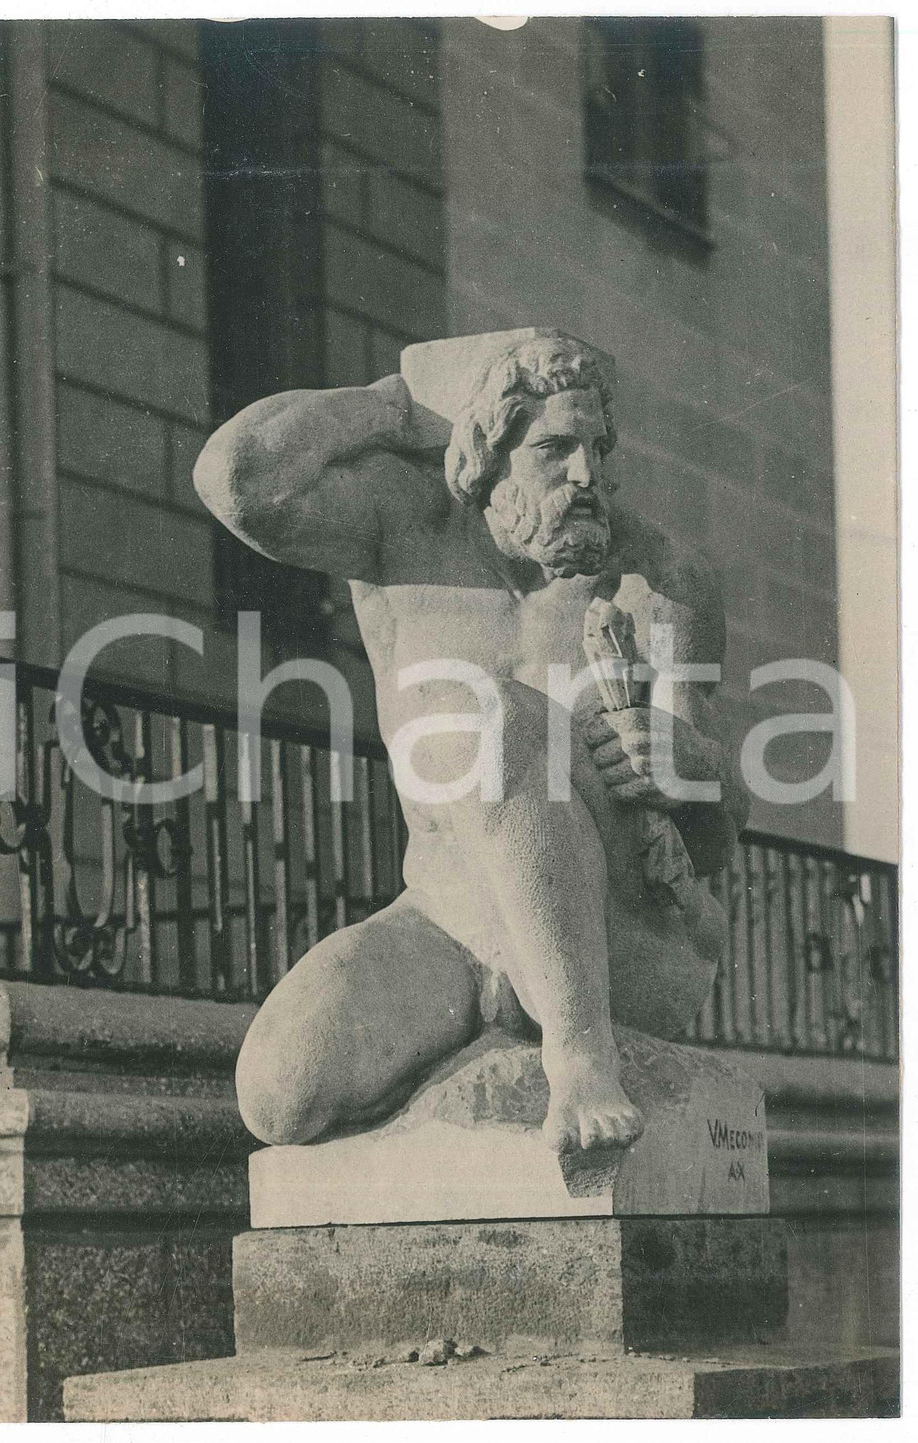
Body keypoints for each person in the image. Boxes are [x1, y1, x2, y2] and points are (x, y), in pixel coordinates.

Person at [194, 331, 749, 1156]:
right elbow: (239, 479)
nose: (587, 476)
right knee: (280, 1089)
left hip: (629, 933)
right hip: (453, 919)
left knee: (492, 717)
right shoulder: (402, 535)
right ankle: (521, 1025)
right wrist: (394, 409)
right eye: (556, 450)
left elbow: (719, 834)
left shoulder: (656, 578)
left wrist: (681, 763)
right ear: (485, 450)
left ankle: (580, 1056)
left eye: (598, 448)